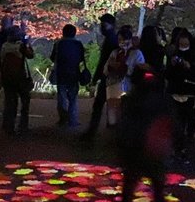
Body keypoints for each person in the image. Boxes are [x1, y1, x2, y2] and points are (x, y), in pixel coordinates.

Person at [116, 68, 182, 202]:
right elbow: (175, 127)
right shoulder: (164, 101)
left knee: (127, 197)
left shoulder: (130, 100)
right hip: (155, 155)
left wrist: (121, 151)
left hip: (134, 154)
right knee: (159, 199)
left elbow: (124, 129)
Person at [81, 13, 119, 143]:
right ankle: (102, 132)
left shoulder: (111, 39)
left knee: (100, 105)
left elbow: (103, 60)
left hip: (107, 76)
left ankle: (92, 133)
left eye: (104, 24)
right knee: (108, 105)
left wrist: (96, 77)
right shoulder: (112, 38)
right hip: (110, 77)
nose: (102, 27)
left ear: (111, 25)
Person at [105, 25, 145, 128]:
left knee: (126, 112)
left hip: (129, 86)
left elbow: (138, 70)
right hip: (114, 85)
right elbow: (106, 69)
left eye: (123, 39)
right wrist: (111, 67)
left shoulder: (136, 53)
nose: (121, 42)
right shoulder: (115, 53)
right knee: (113, 112)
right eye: (119, 39)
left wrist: (124, 68)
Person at [165, 28, 195, 160]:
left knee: (184, 121)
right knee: (175, 121)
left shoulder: (194, 54)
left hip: (188, 91)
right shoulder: (173, 54)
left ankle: (182, 148)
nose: (183, 43)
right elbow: (168, 73)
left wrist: (189, 66)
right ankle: (175, 148)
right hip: (174, 90)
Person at [0, 26, 34, 136]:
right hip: (21, 77)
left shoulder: (4, 46)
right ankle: (23, 126)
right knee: (25, 102)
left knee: (10, 102)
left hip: (7, 78)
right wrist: (28, 43)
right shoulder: (21, 46)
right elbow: (30, 55)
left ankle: (8, 125)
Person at [50, 24, 85, 130]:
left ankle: (63, 119)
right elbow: (81, 58)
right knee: (73, 97)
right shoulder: (78, 44)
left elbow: (52, 58)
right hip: (74, 73)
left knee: (62, 97)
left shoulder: (58, 44)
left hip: (61, 73)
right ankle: (73, 120)